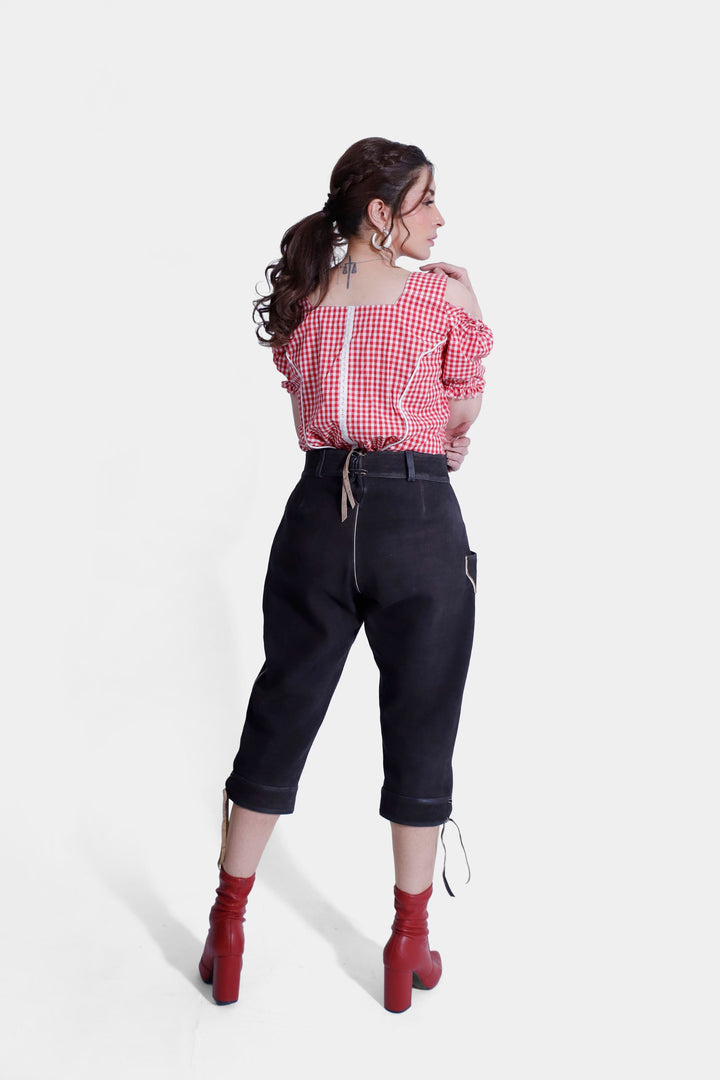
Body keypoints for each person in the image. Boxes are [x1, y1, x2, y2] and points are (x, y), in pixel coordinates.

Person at [199, 136, 493, 1013]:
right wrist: (447, 423)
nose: (439, 218)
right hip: (416, 520)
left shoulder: (304, 301)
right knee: (421, 721)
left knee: (281, 709)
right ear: (381, 212)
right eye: (427, 200)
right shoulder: (440, 300)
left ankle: (227, 925)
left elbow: (308, 413)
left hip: (316, 519)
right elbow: (464, 407)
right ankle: (408, 945)